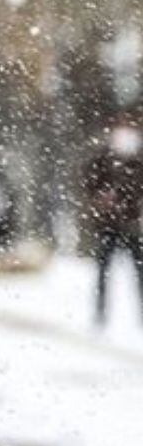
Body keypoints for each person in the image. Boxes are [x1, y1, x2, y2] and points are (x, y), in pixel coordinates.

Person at [83, 120, 143, 327]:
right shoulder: (102, 157)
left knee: (139, 270)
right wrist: (100, 197)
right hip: (108, 224)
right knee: (103, 270)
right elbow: (89, 178)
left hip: (131, 223)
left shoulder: (137, 159)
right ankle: (100, 313)